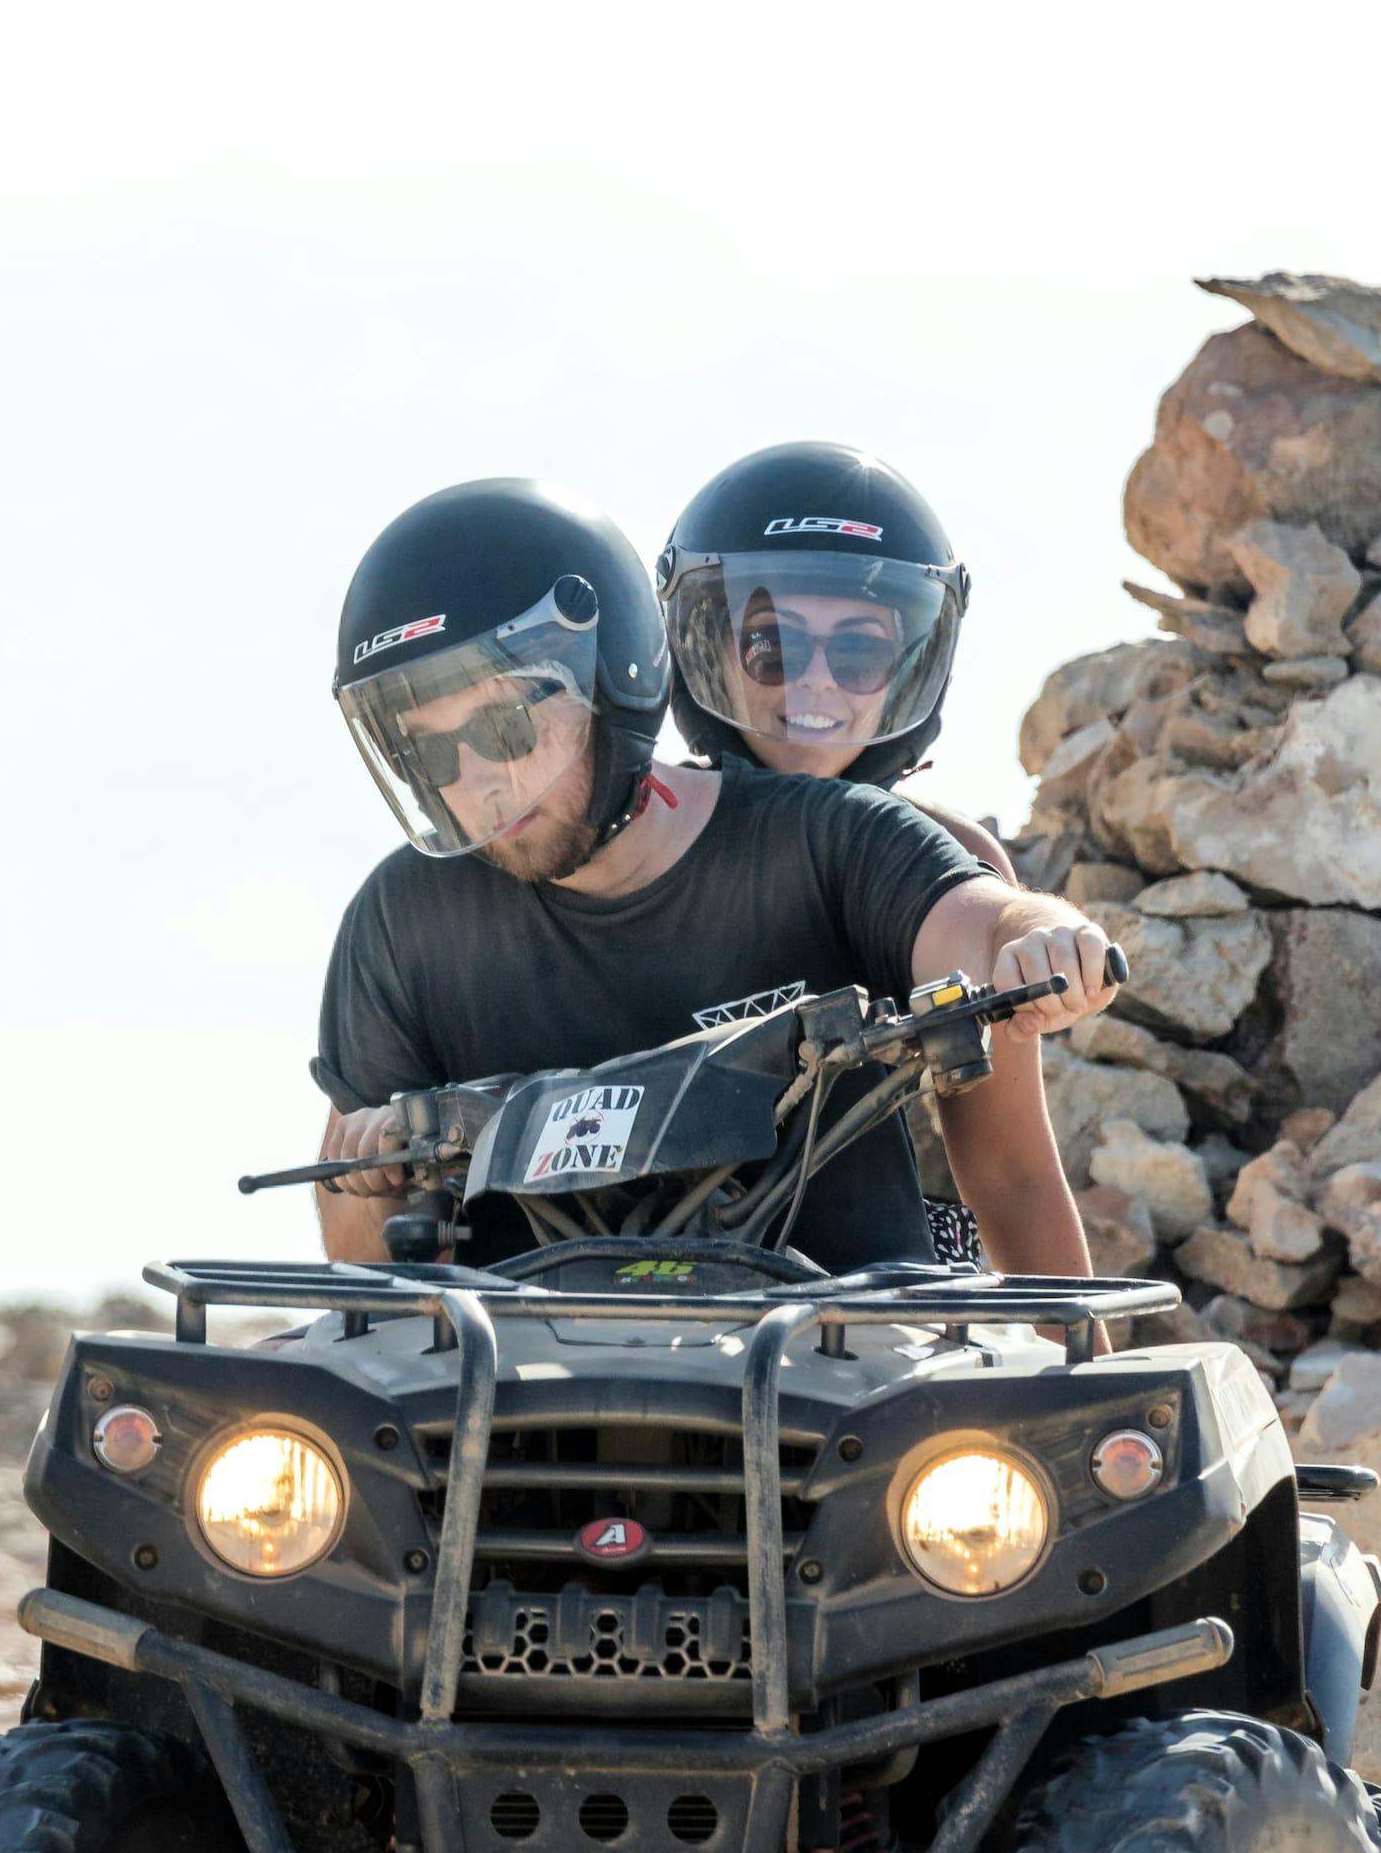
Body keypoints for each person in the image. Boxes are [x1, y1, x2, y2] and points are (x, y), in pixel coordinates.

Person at [308, 475, 1117, 1272]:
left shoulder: (837, 835)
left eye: (509, 723)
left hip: (847, 1371)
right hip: (516, 1384)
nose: (478, 777)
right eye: (429, 750)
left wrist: (1037, 934)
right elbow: (361, 1271)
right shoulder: (399, 921)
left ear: (613, 671)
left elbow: (976, 919)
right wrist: (371, 1180)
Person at [652, 441, 1084, 1274]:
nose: (816, 684)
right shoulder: (641, 845)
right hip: (645, 1302)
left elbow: (1013, 1174)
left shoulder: (951, 858)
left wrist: (1093, 1393)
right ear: (707, 647)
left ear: (906, 666)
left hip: (889, 1314)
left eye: (857, 653)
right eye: (773, 646)